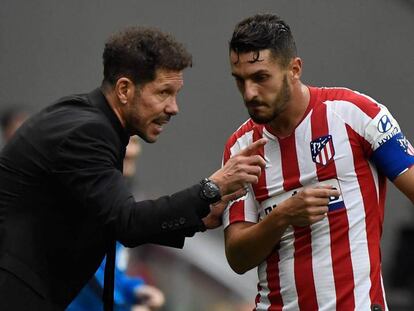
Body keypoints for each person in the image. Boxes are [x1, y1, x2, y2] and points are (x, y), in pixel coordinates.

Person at [0, 26, 268, 310]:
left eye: (176, 94)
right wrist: (210, 189)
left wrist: (200, 217)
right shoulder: (90, 131)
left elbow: (113, 222)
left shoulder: (87, 119)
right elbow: (127, 222)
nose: (173, 108)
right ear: (124, 89)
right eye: (163, 93)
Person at [222, 13, 414, 311]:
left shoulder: (355, 115)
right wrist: (282, 216)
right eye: (240, 81)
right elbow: (237, 257)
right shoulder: (241, 148)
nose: (249, 93)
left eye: (260, 77)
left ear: (294, 69)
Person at [68, 137, 165, 311]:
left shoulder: (118, 200)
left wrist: (134, 289)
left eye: (136, 142)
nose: (133, 151)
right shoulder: (84, 199)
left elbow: (110, 269)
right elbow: (89, 273)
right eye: (127, 142)